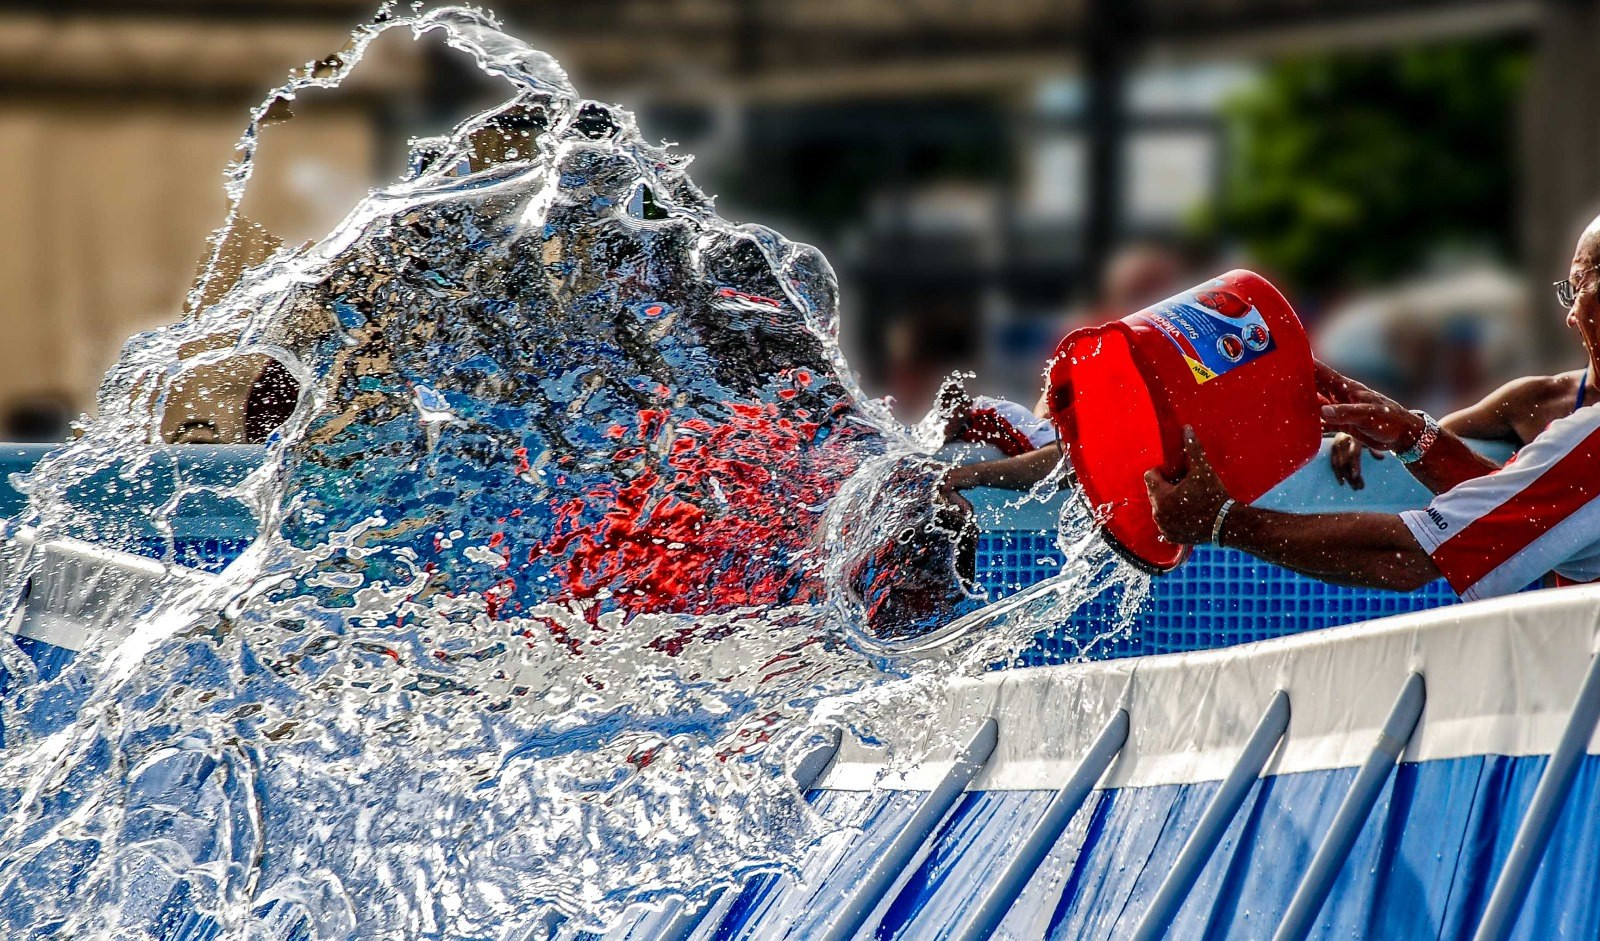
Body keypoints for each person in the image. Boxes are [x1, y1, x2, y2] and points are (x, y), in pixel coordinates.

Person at [1144, 212, 1600, 600]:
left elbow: (1414, 555)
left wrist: (1225, 522)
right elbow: (1513, 512)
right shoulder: (1558, 421)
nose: (1570, 314)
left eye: (1577, 287)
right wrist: (1411, 435)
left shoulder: (1591, 441)